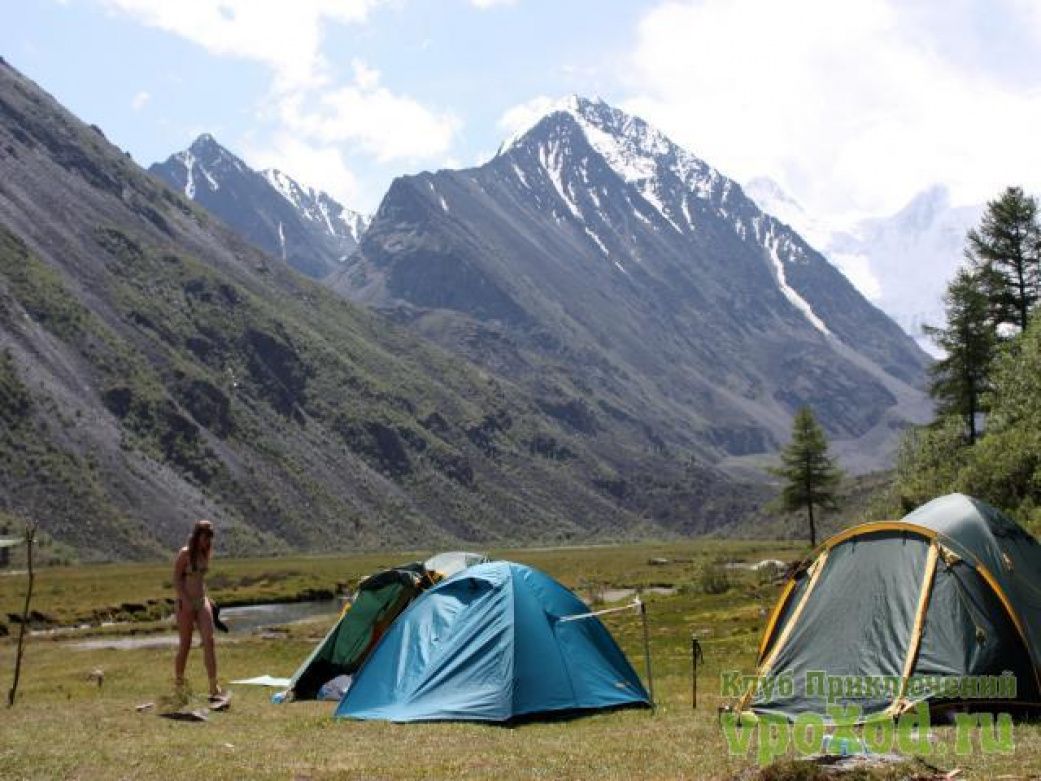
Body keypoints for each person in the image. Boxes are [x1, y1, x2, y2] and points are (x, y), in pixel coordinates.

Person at [173, 519, 222, 698]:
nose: (207, 540)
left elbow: (200, 579)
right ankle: (179, 684)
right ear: (197, 535)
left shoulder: (205, 553)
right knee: (185, 644)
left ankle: (213, 685)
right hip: (185, 603)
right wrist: (185, 600)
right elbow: (177, 579)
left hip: (201, 601)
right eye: (205, 535)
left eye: (210, 536)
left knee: (209, 640)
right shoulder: (185, 554)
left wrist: (207, 599)